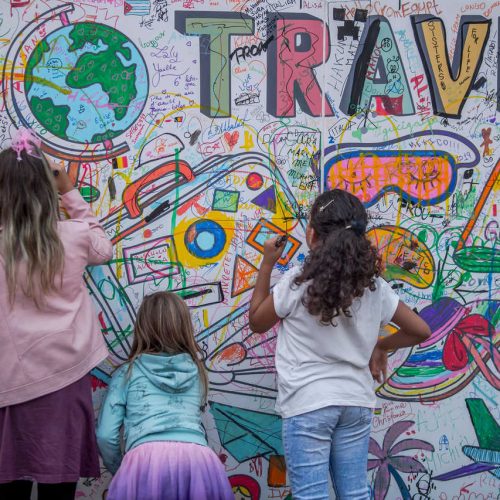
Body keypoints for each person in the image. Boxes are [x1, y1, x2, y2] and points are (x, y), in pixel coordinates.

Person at [249, 189, 431, 500]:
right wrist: (382, 346)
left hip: (309, 404)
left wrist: (267, 263)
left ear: (311, 234)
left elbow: (257, 321)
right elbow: (420, 330)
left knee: (312, 495)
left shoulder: (298, 282)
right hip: (355, 402)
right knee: (355, 494)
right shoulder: (373, 286)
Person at [0, 128, 113, 499]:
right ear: (46, 188)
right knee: (58, 490)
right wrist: (71, 193)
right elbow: (103, 248)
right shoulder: (74, 235)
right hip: (65, 382)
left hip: (9, 387)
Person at [96, 291, 234, 500]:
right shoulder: (197, 372)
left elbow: (106, 435)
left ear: (142, 327)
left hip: (145, 461)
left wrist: (123, 471)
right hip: (199, 462)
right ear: (184, 327)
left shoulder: (127, 373)